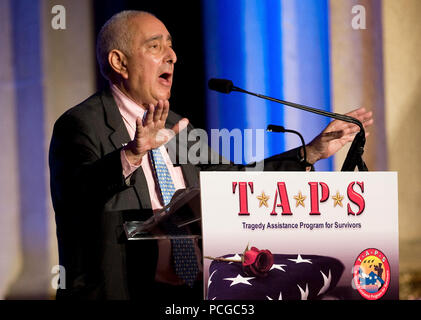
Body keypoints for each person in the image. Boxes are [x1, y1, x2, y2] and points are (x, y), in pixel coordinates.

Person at [49, 10, 373, 300]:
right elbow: (77, 194)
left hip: (192, 293)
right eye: (155, 46)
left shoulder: (176, 127)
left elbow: (236, 181)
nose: (172, 56)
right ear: (119, 62)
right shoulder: (80, 125)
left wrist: (310, 153)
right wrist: (132, 153)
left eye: (171, 45)